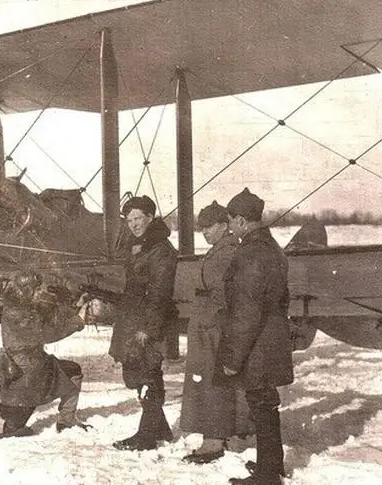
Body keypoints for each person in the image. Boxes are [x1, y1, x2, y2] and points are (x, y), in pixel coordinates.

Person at [218, 188, 293, 485]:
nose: (229, 227)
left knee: (261, 406)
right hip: (270, 339)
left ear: (241, 220)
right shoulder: (272, 247)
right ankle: (271, 466)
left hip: (257, 345)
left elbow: (247, 312)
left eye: (230, 222)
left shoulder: (250, 253)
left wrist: (233, 359)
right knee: (266, 404)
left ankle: (267, 476)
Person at [180, 200, 252, 464]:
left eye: (209, 227)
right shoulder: (223, 249)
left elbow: (225, 295)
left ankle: (214, 440)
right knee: (214, 382)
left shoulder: (227, 251)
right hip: (210, 327)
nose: (204, 233)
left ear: (224, 225)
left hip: (214, 329)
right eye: (202, 228)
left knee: (213, 383)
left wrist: (210, 320)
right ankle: (226, 434)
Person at [109, 195, 178, 451]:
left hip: (148, 322)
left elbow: (160, 293)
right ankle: (160, 428)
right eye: (129, 220)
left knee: (149, 373)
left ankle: (147, 436)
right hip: (132, 320)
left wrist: (148, 329)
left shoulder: (160, 249)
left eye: (138, 218)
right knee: (135, 374)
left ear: (150, 218)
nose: (134, 224)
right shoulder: (139, 245)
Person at [0, 271, 91, 438]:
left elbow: (51, 320)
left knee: (14, 423)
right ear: (26, 290)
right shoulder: (20, 313)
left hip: (19, 370)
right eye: (36, 289)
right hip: (29, 373)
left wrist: (75, 307)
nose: (40, 292)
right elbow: (47, 333)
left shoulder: (17, 306)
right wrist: (79, 321)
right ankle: (67, 420)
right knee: (12, 428)